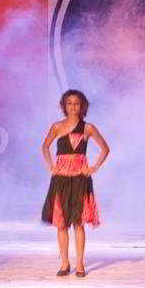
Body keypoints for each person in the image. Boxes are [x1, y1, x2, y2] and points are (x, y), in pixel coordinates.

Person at [41, 90, 109, 277]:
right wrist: (51, 166)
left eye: (76, 103)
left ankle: (80, 264)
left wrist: (93, 167)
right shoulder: (57, 126)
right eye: (69, 103)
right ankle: (64, 263)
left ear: (82, 106)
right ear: (64, 106)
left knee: (78, 223)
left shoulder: (88, 128)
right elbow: (45, 146)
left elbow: (105, 148)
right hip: (61, 179)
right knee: (61, 223)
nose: (73, 107)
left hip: (80, 178)